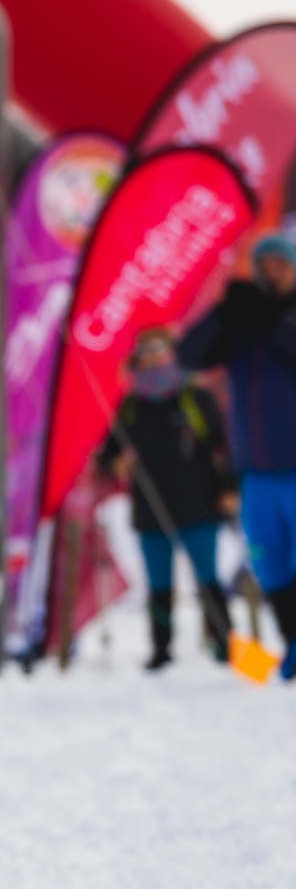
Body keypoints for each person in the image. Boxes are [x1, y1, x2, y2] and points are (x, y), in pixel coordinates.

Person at [180, 235, 296, 680]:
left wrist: (275, 322)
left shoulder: (277, 317)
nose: (272, 272)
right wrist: (221, 315)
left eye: (280, 265)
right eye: (263, 264)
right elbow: (190, 356)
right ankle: (291, 645)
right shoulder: (244, 320)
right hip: (256, 470)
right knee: (270, 566)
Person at [97, 328, 236, 670]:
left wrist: (229, 489)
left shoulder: (195, 397)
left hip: (200, 505)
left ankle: (226, 646)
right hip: (150, 511)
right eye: (146, 351)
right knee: (159, 585)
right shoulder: (130, 406)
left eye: (159, 349)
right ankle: (161, 650)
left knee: (208, 580)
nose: (154, 357)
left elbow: (225, 446)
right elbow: (106, 457)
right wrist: (116, 463)